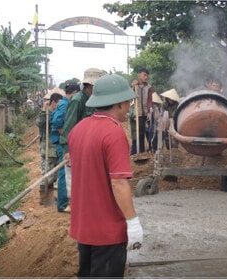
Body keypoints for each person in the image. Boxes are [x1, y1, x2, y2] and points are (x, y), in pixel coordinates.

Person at [68, 74, 143, 278]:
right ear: (119, 103)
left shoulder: (78, 129)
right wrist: (132, 221)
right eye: (128, 101)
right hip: (108, 231)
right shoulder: (113, 133)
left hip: (84, 227)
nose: (129, 106)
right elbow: (118, 182)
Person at [59, 68, 103, 213]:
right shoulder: (77, 100)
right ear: (90, 86)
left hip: (89, 146)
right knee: (72, 178)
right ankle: (75, 206)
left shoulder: (95, 100)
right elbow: (69, 125)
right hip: (76, 146)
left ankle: (87, 205)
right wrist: (67, 150)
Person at [51, 81, 80, 213]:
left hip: (62, 142)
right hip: (62, 143)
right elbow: (57, 123)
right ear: (74, 93)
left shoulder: (64, 103)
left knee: (66, 171)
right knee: (64, 172)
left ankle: (65, 202)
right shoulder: (65, 105)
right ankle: (63, 204)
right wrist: (68, 137)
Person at [36, 89, 64, 200]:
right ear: (53, 103)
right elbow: (40, 124)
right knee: (46, 175)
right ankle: (45, 198)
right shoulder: (45, 113)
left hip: (57, 150)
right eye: (59, 103)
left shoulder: (59, 114)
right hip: (47, 150)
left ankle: (50, 197)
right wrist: (44, 109)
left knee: (55, 176)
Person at [130, 68, 154, 155]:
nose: (146, 77)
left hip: (146, 113)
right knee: (139, 133)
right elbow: (129, 97)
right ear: (139, 75)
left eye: (147, 75)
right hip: (137, 113)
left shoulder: (149, 87)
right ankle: (140, 151)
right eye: (144, 75)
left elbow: (150, 100)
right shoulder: (134, 86)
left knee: (149, 130)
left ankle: (151, 149)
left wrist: (148, 112)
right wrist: (132, 87)